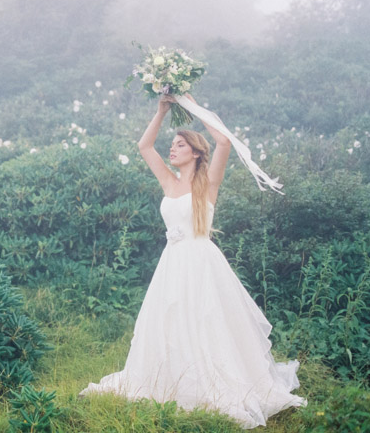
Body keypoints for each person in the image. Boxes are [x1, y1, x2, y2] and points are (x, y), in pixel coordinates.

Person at [79, 94, 306, 429]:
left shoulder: (207, 184)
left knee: (206, 323)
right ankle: (171, 380)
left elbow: (224, 141)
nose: (172, 149)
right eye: (173, 144)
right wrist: (162, 111)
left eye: (180, 144)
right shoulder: (169, 182)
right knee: (168, 324)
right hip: (171, 264)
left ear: (196, 153)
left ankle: (214, 383)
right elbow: (144, 146)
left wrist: (191, 103)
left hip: (201, 263)